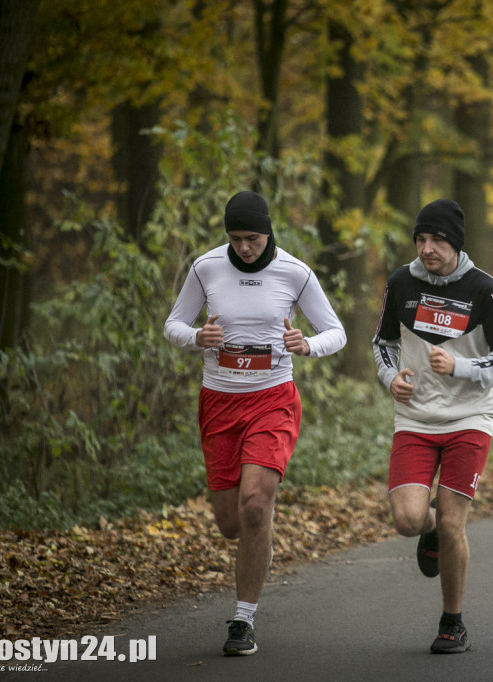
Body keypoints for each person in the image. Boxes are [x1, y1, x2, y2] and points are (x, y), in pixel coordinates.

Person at [164, 190, 346, 656]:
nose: (245, 247)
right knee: (230, 523)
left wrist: (308, 345)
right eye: (237, 238)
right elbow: (173, 325)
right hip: (219, 402)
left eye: (254, 238)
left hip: (273, 400)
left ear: (269, 232)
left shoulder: (295, 272)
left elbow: (336, 332)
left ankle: (243, 620)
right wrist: (196, 336)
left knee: (255, 507)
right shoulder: (206, 268)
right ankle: (257, 539)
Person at [372, 198, 493, 654]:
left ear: (456, 243)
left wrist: (462, 366)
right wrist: (389, 376)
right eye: (421, 238)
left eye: (436, 239)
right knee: (408, 519)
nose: (427, 248)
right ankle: (430, 528)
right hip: (415, 418)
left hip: (469, 419)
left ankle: (452, 622)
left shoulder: (484, 290)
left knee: (454, 523)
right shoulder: (401, 282)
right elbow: (383, 343)